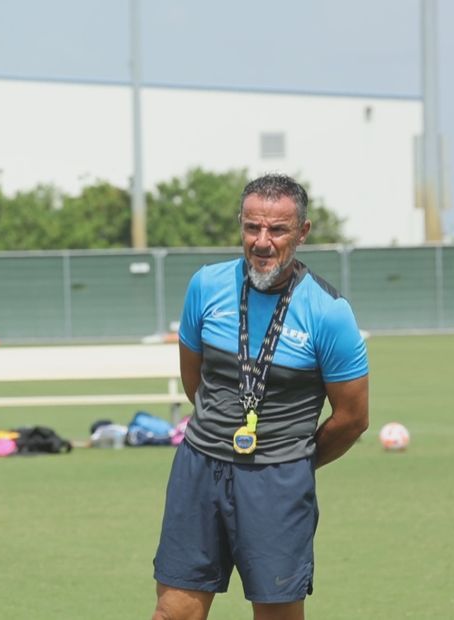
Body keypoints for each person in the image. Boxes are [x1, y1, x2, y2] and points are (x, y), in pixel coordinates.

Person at [152, 174, 369, 620]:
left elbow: (352, 417)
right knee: (173, 612)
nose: (262, 241)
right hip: (199, 467)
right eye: (252, 227)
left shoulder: (328, 311)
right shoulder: (207, 286)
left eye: (278, 230)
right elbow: (196, 383)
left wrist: (295, 458)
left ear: (303, 232)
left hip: (278, 481)